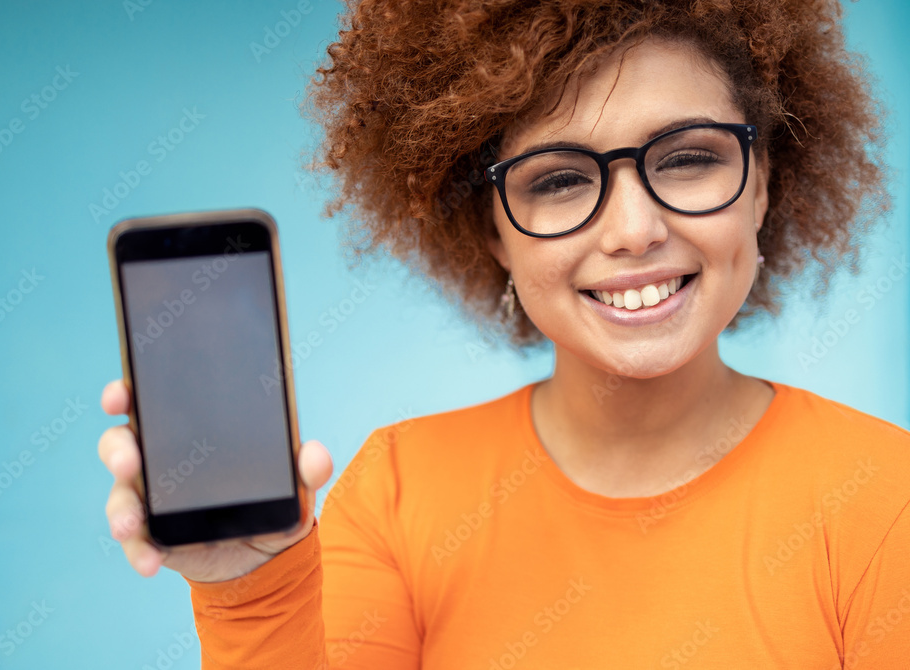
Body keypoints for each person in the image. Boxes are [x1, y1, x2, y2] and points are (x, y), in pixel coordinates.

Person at [98, 0, 910, 667]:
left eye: (689, 159)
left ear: (761, 184)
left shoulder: (883, 497)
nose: (634, 229)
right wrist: (253, 591)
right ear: (492, 231)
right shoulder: (399, 495)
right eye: (559, 179)